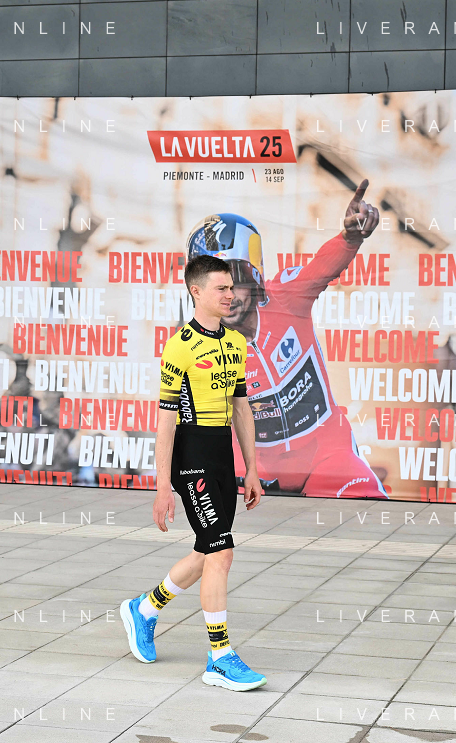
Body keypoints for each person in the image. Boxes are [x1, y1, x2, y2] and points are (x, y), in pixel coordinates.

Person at [185, 180, 388, 499]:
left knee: (367, 502)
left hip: (326, 455)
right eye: (216, 288)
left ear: (254, 276)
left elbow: (322, 267)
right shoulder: (203, 346)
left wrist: (350, 238)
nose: (228, 298)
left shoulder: (288, 297)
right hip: (258, 471)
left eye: (236, 282)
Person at [120, 255, 268, 691]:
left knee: (208, 550)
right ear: (196, 291)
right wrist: (162, 486)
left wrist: (252, 468)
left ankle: (144, 609)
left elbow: (241, 408)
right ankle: (219, 658)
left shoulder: (236, 342)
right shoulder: (179, 346)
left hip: (221, 454)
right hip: (191, 456)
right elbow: (166, 422)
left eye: (231, 287)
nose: (230, 295)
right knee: (222, 552)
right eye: (221, 288)